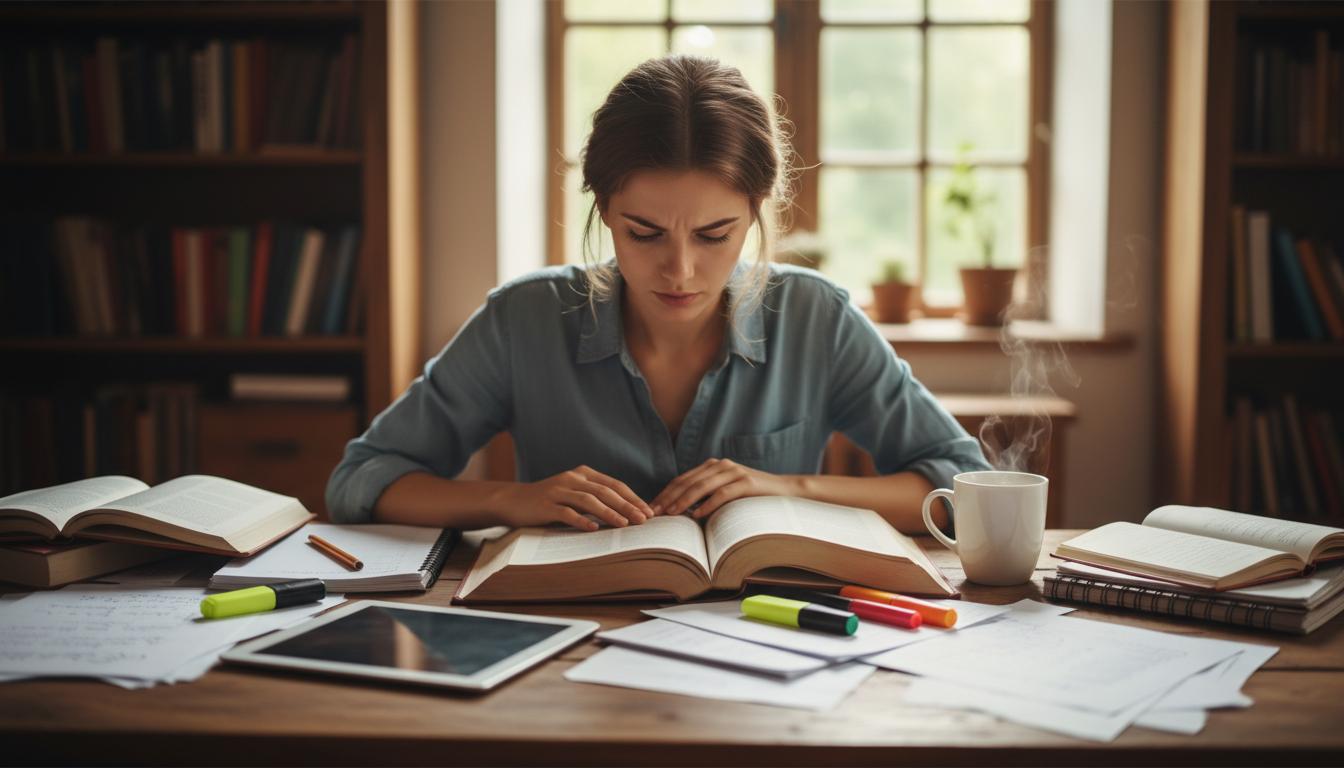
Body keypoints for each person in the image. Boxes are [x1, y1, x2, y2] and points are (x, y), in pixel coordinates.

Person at [326, 55, 989, 534]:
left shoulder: (816, 318)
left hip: (770, 637)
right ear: (605, 209)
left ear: (757, 211)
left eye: (714, 234)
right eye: (644, 233)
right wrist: (507, 501)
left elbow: (966, 486)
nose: (680, 269)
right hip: (568, 642)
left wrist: (786, 489)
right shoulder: (524, 319)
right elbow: (362, 481)